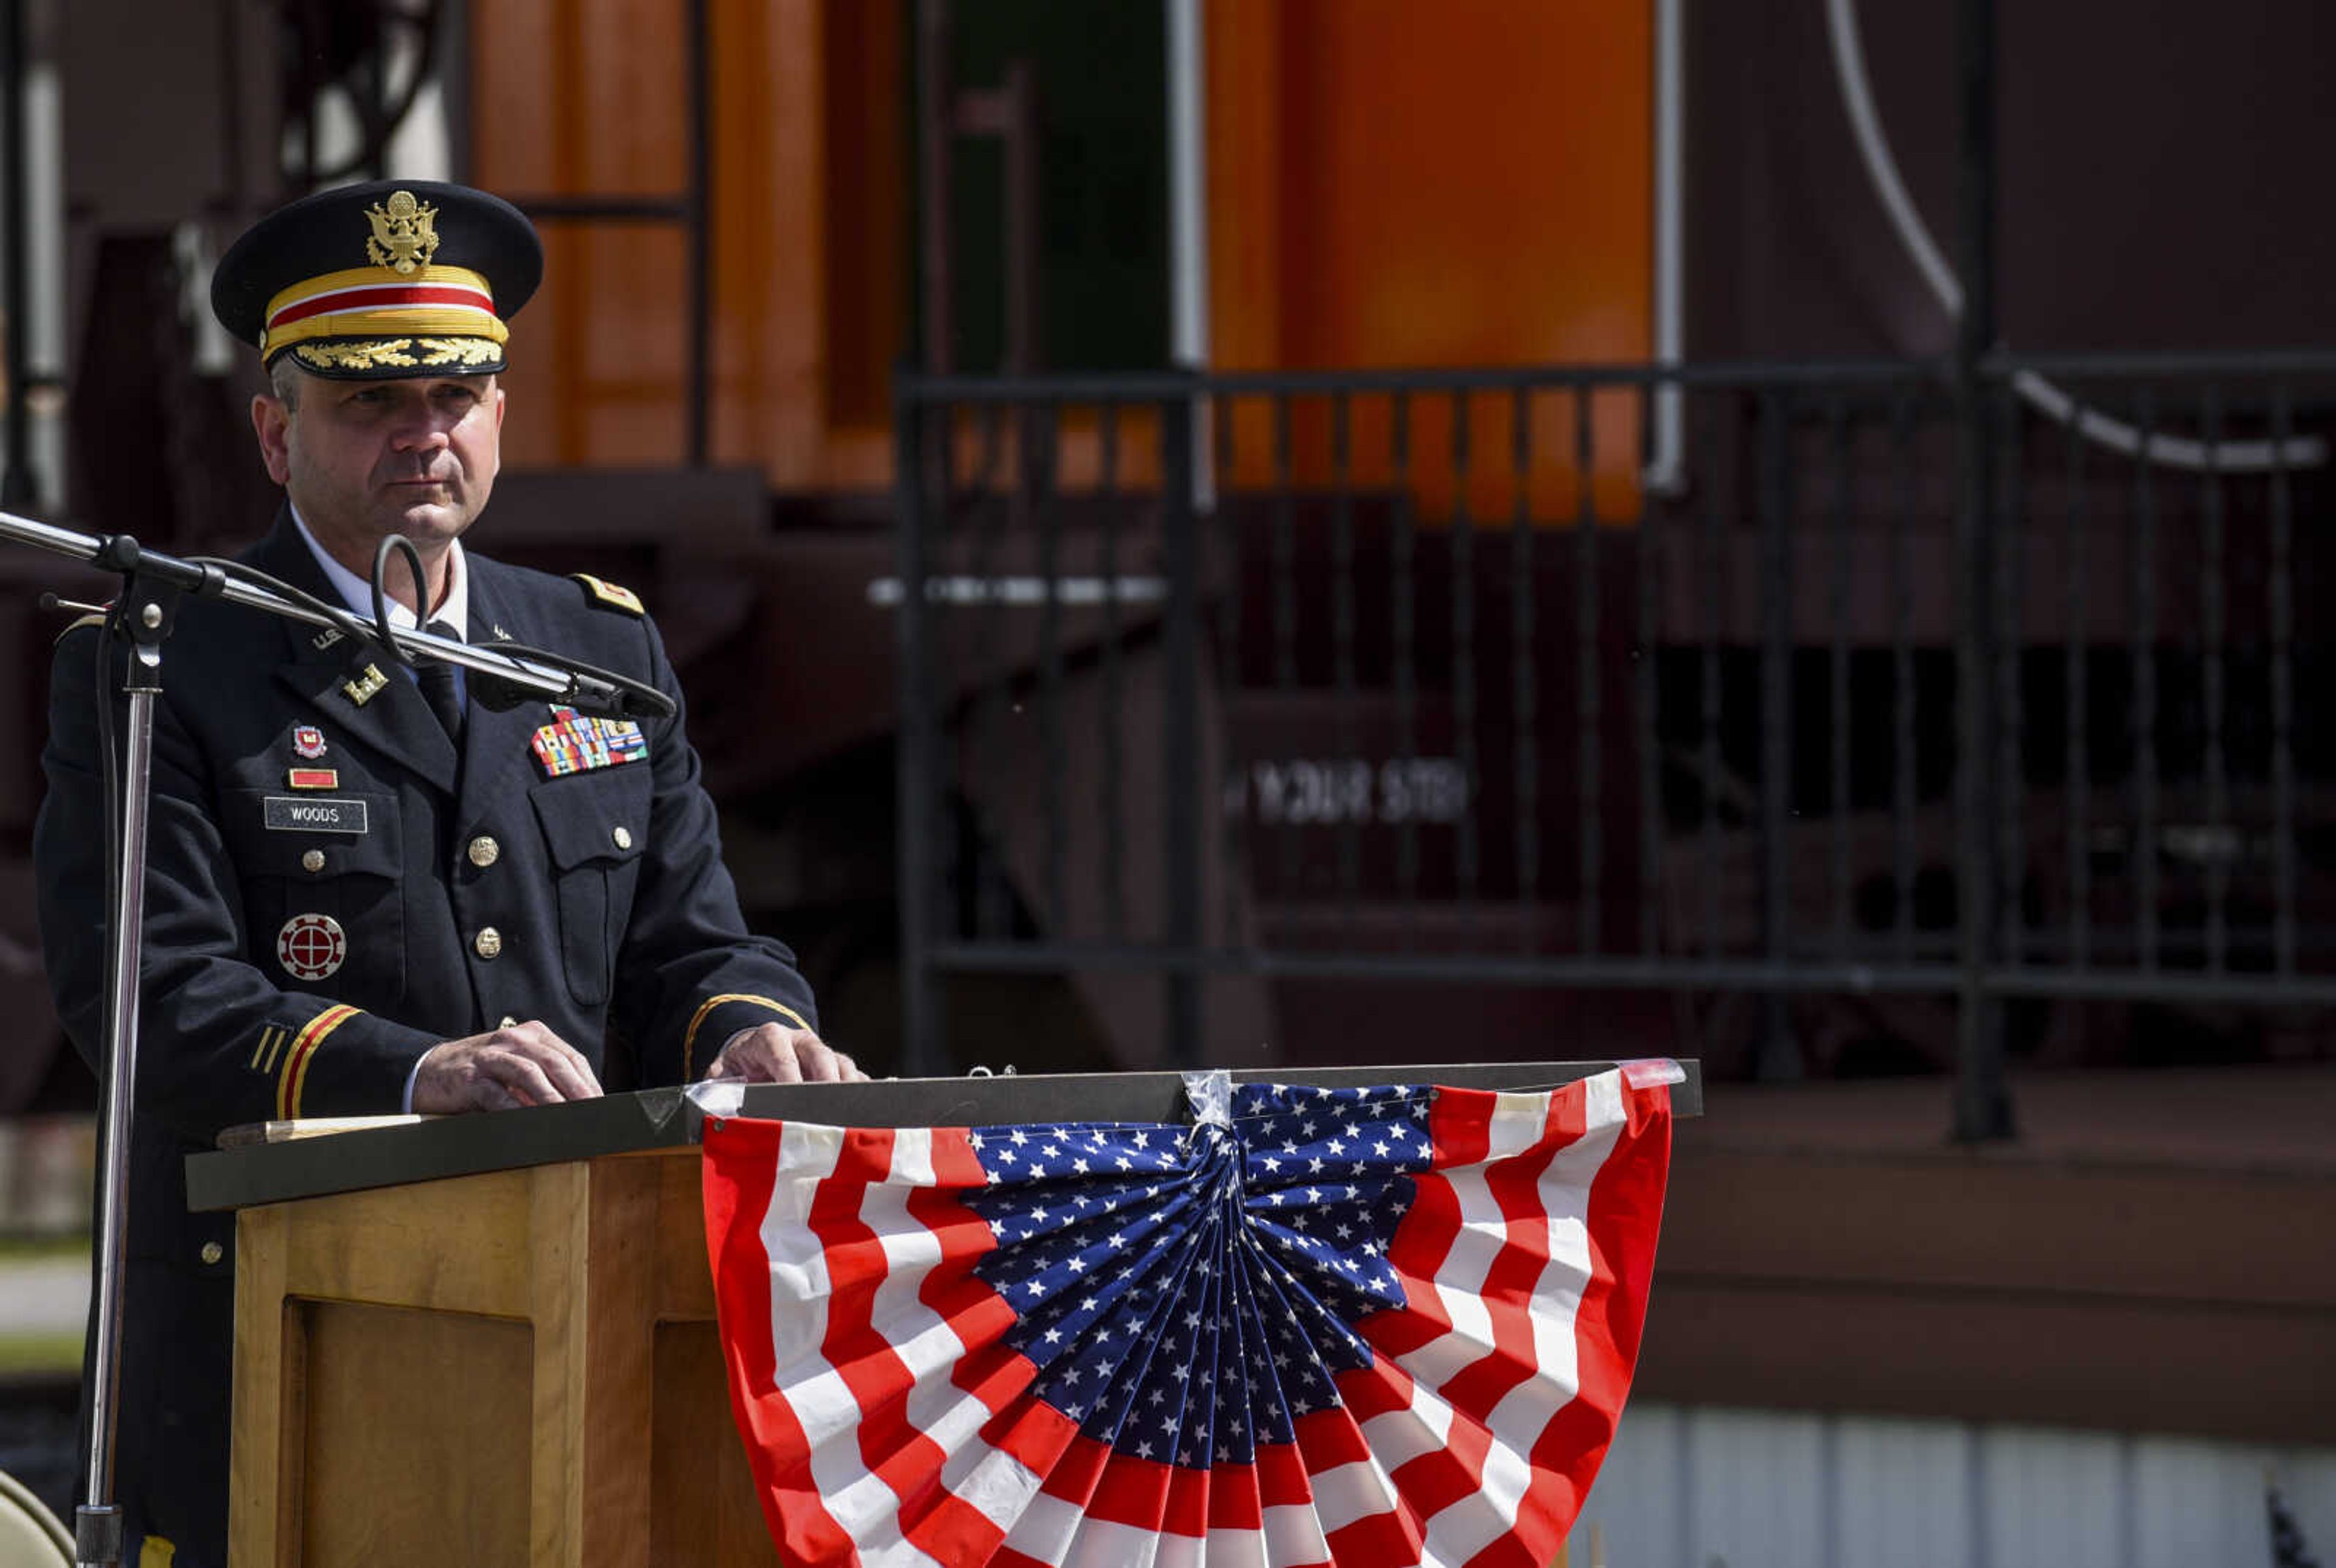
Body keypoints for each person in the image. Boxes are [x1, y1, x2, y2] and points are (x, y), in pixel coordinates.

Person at [32, 179, 861, 1566]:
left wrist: (753, 1026)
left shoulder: (598, 648)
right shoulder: (168, 661)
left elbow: (688, 946)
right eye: (371, 402)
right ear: (275, 434)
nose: (425, 434)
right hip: (290, 1330)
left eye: (459, 394)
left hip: (570, 1315)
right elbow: (153, 1002)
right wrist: (421, 1074)